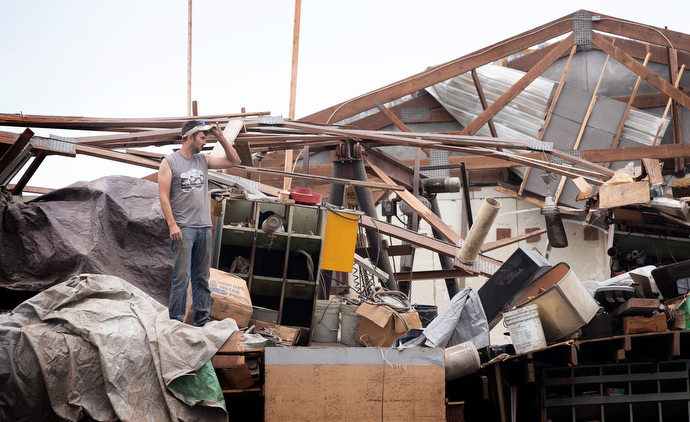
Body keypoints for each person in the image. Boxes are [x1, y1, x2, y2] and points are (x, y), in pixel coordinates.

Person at [159, 120, 241, 326]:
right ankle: (175, 322)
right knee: (182, 276)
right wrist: (172, 225)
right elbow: (163, 196)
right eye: (203, 138)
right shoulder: (169, 162)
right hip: (183, 228)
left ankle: (202, 321)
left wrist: (220, 136)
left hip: (204, 227)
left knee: (202, 277)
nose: (205, 142)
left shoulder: (203, 160)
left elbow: (234, 161)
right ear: (190, 137)